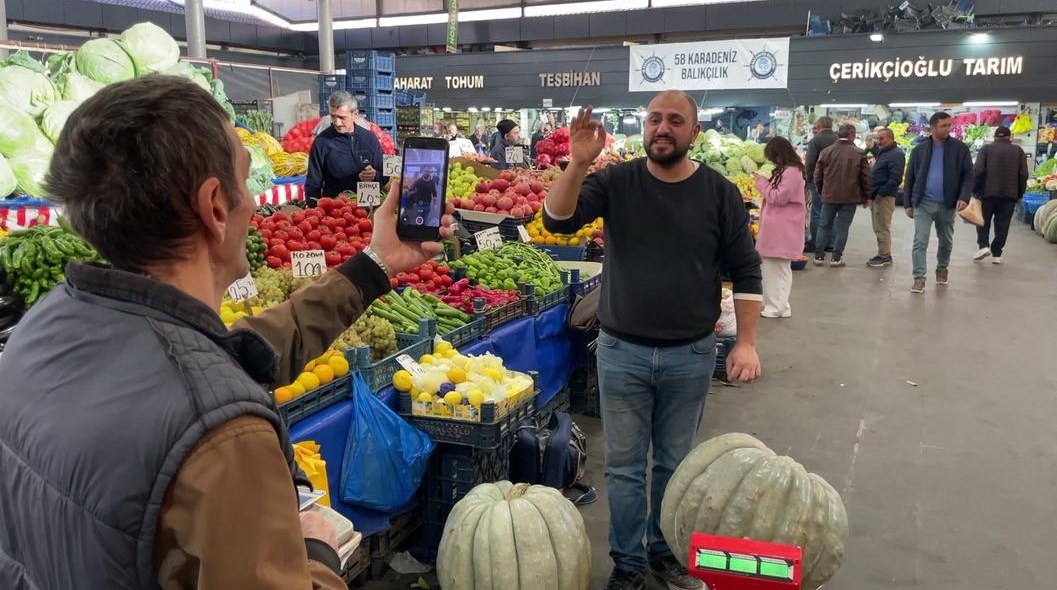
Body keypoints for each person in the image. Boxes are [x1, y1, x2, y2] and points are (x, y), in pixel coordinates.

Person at [0, 76, 454, 590]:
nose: (257, 206)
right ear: (214, 205)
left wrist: (375, 265)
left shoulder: (42, 324)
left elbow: (231, 355)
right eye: (245, 179)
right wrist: (317, 553)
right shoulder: (223, 436)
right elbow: (204, 396)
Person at [544, 93, 762, 590]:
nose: (663, 128)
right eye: (655, 119)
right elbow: (557, 220)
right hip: (622, 351)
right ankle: (629, 564)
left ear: (694, 132)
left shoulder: (719, 192)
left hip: (691, 355)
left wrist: (746, 342)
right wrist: (577, 164)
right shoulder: (616, 182)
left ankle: (665, 554)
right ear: (645, 127)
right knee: (622, 468)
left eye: (675, 120)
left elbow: (747, 269)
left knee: (674, 464)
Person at [903, 111, 973, 294]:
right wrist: (908, 203)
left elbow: (968, 176)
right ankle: (919, 278)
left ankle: (942, 269)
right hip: (923, 203)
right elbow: (910, 177)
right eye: (944, 126)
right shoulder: (920, 150)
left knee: (946, 241)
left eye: (950, 125)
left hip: (948, 204)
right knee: (920, 241)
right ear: (933, 127)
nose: (948, 129)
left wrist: (964, 197)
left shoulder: (960, 149)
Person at [753, 137, 806, 318]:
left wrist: (761, 183)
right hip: (780, 229)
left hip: (781, 230)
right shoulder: (789, 170)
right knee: (775, 270)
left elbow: (779, 197)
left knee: (776, 270)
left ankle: (776, 307)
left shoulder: (791, 172)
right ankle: (778, 305)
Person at [305, 91, 385, 200]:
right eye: (333, 116)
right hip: (336, 211)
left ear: (355, 114)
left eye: (342, 117)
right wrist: (314, 211)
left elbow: (385, 174)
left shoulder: (369, 139)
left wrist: (375, 175)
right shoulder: (321, 142)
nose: (337, 123)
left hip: (367, 208)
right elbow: (313, 184)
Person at [813, 123, 870, 267]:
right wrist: (865, 197)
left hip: (829, 196)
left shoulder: (826, 152)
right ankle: (836, 258)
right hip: (850, 197)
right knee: (842, 228)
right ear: (851, 134)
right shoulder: (859, 153)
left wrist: (821, 191)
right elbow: (865, 178)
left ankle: (819, 256)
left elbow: (817, 176)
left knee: (824, 226)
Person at [973, 126, 1027, 264]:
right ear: (1010, 137)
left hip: (987, 193)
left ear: (995, 137)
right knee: (1002, 224)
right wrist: (1020, 193)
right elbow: (1023, 174)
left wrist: (975, 190)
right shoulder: (1018, 151)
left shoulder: (986, 149)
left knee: (983, 221)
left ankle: (983, 246)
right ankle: (997, 254)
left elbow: (978, 171)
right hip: (1009, 195)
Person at [866, 127, 905, 268]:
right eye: (877, 138)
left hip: (884, 197)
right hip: (877, 195)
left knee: (882, 226)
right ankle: (882, 253)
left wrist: (881, 193)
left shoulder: (896, 154)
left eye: (881, 139)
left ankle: (885, 256)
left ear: (891, 138)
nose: (878, 141)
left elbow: (896, 179)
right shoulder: (885, 152)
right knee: (878, 226)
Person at [804, 116, 838, 252]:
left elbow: (810, 163)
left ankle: (816, 243)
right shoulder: (838, 141)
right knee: (832, 212)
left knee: (817, 212)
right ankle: (831, 243)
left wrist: (807, 181)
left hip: (818, 182)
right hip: (836, 182)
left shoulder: (815, 141)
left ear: (818, 126)